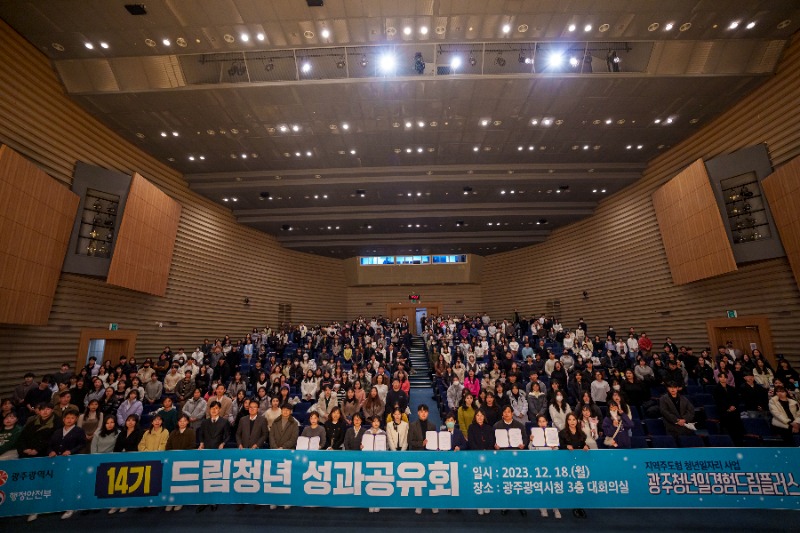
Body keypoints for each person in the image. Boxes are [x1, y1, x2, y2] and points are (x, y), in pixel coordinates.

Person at [46, 408, 85, 520]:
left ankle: (71, 507)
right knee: (58, 484)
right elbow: (50, 445)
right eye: (67, 418)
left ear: (76, 419)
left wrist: (71, 451)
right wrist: (50, 451)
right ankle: (59, 506)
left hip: (72, 462)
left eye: (72, 418)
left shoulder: (79, 431)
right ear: (63, 419)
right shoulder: (57, 431)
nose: (69, 420)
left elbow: (82, 445)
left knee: (70, 484)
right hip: (57, 462)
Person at [528, 415, 561, 519]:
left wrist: (554, 447)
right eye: (540, 421)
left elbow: (557, 450)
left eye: (544, 421)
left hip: (551, 463)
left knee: (552, 486)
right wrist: (531, 441)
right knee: (542, 486)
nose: (542, 423)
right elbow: (531, 450)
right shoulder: (534, 433)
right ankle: (543, 507)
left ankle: (555, 508)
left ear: (547, 422)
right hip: (539, 464)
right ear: (537, 423)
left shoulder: (552, 432)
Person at [363, 416, 387, 513]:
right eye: (374, 421)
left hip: (380, 461)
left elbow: (387, 446)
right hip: (369, 461)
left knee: (378, 482)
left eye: (377, 421)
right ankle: (370, 503)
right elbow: (363, 446)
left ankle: (378, 503)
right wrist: (362, 447)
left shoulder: (383, 433)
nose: (376, 423)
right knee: (369, 482)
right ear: (371, 423)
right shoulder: (366, 433)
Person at [713, 372, 745, 445]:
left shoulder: (731, 388)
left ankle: (739, 443)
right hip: (724, 412)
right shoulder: (716, 389)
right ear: (719, 378)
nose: (723, 379)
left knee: (737, 428)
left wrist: (734, 406)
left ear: (727, 378)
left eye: (725, 377)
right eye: (721, 377)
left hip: (734, 411)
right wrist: (728, 408)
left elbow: (737, 399)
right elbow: (718, 401)